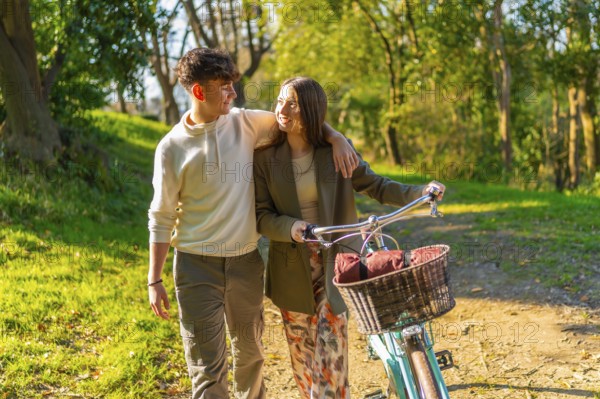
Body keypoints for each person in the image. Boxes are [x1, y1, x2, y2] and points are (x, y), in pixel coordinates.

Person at [147, 49, 359, 399]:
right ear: (200, 92)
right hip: (195, 267)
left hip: (245, 263)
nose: (233, 93)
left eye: (233, 85)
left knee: (250, 357)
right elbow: (161, 215)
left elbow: (300, 117)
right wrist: (154, 279)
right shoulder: (171, 148)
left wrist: (336, 137)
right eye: (224, 87)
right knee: (207, 367)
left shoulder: (246, 122)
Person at [253, 77, 445, 399]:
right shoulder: (264, 159)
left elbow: (377, 185)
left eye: (293, 104)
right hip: (291, 266)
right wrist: (292, 227)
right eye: (280, 101)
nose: (282, 110)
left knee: (330, 352)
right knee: (303, 358)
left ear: (311, 111)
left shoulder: (335, 152)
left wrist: (420, 193)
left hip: (337, 262)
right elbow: (261, 216)